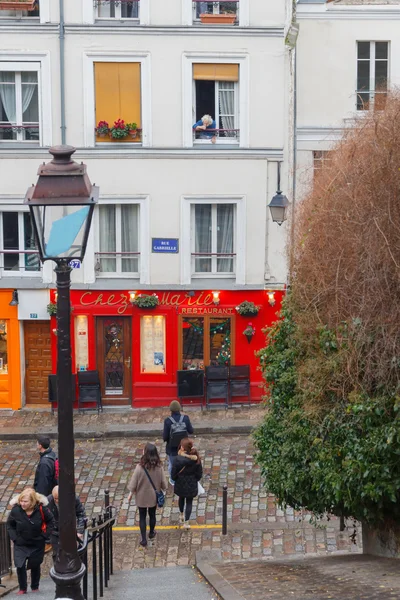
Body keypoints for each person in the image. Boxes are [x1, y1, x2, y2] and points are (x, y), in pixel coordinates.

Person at [7, 488, 54, 595]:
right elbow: (10, 525)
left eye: (25, 501)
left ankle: (35, 586)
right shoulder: (16, 511)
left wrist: (44, 536)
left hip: (37, 543)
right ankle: (22, 588)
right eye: (21, 501)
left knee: (35, 564)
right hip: (21, 543)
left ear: (32, 501)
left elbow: (51, 521)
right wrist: (15, 538)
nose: (23, 504)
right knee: (20, 565)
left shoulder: (42, 510)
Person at [127, 443, 167, 548]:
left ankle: (143, 539)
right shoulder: (159, 467)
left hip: (141, 497)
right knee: (152, 515)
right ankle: (151, 533)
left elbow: (133, 483)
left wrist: (130, 494)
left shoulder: (139, 468)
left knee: (142, 517)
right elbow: (164, 484)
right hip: (153, 496)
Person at [47, 486, 86, 561]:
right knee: (57, 554)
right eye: (55, 498)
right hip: (55, 532)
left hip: (70, 530)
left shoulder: (73, 499)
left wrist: (80, 531)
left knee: (72, 553)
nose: (57, 500)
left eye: (59, 498)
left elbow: (81, 514)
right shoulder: (48, 501)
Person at [171, 438, 203, 530]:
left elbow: (173, 475)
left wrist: (177, 479)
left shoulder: (177, 459)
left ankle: (181, 514)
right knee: (189, 502)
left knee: (181, 498)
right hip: (192, 484)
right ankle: (186, 522)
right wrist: (194, 480)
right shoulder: (196, 459)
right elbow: (199, 474)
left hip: (180, 483)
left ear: (183, 448)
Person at [163, 401, 194, 485]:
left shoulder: (167, 421)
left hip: (172, 448)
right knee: (185, 463)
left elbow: (165, 437)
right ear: (179, 409)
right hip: (184, 447)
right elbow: (191, 431)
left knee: (172, 465)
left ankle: (173, 480)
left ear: (171, 410)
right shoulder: (185, 418)